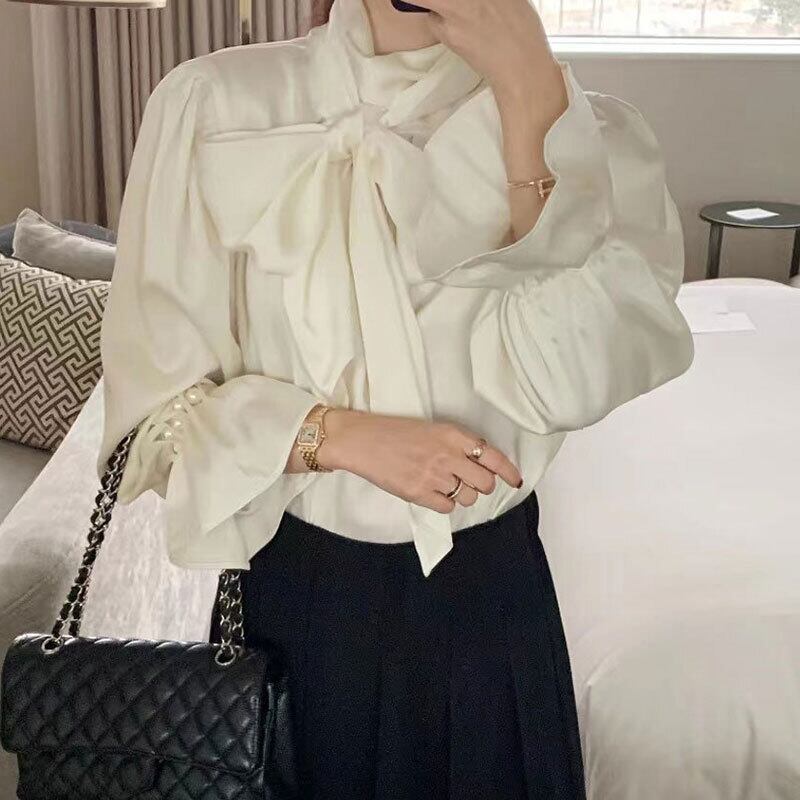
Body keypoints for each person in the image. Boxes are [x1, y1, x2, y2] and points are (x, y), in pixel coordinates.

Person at [97, 0, 694, 797]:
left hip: (492, 606)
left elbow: (565, 381)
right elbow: (153, 422)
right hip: (303, 609)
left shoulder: (594, 132)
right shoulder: (216, 104)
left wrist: (529, 94)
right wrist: (335, 436)